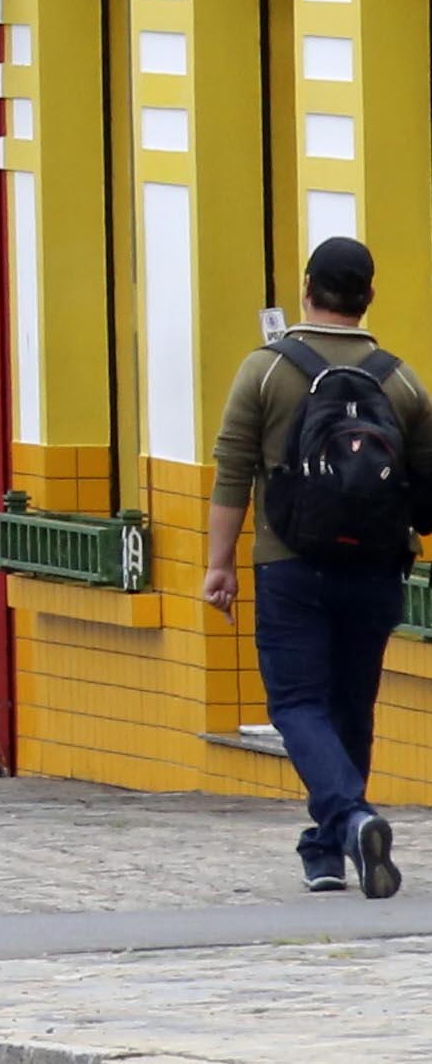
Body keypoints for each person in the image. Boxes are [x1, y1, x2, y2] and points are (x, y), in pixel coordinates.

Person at [207, 232, 432, 896]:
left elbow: (231, 468)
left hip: (289, 563)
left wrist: (218, 563)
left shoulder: (266, 370)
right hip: (377, 570)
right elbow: (425, 485)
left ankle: (350, 815)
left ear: (307, 288)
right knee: (351, 706)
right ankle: (330, 849)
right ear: (368, 297)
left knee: (299, 703)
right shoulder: (403, 379)